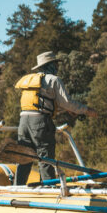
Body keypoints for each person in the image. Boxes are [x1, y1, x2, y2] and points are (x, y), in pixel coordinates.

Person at [15, 51, 97, 181]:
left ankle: (17, 189)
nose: (57, 67)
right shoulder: (54, 80)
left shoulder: (32, 80)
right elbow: (67, 102)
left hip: (23, 122)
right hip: (40, 122)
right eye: (55, 64)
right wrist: (86, 110)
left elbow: (41, 104)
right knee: (45, 157)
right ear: (50, 65)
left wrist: (63, 110)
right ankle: (48, 187)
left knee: (24, 158)